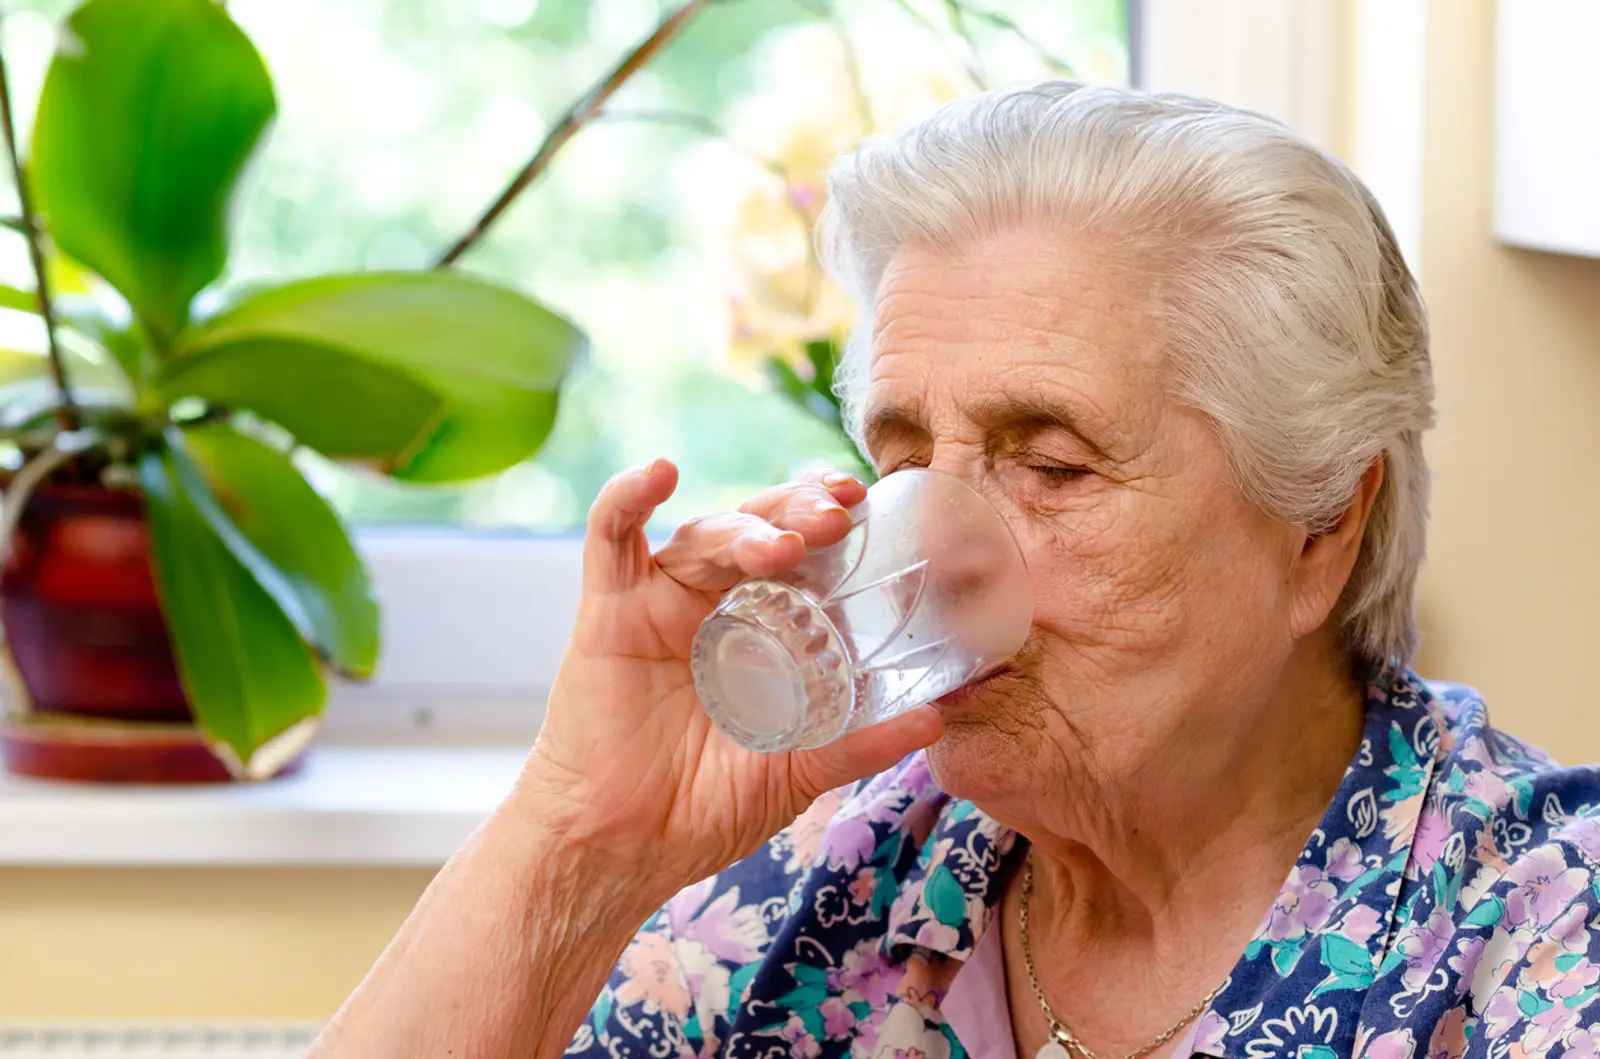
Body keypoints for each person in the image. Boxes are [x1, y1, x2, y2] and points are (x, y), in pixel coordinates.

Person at [310, 83, 1600, 1059]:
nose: (929, 566)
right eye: (907, 459)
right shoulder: (841, 860)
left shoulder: (1540, 936)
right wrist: (579, 837)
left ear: (1323, 522)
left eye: (1052, 466)